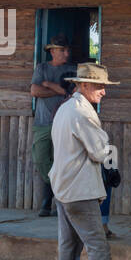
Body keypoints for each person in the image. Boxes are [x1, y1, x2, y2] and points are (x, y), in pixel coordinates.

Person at [50, 62, 131, 260]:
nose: (103, 92)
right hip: (80, 189)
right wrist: (109, 153)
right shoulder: (82, 114)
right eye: (100, 86)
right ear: (85, 85)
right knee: (97, 244)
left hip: (63, 185)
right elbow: (99, 151)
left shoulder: (66, 108)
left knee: (69, 244)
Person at [30, 35, 77, 216]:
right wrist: (59, 90)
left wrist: (49, 85)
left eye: (67, 50)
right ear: (52, 51)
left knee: (62, 161)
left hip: (64, 123)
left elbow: (70, 93)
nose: (67, 54)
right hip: (42, 122)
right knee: (41, 159)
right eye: (62, 50)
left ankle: (51, 203)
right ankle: (54, 194)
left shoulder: (72, 70)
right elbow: (35, 91)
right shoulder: (41, 68)